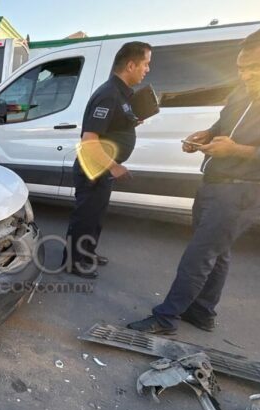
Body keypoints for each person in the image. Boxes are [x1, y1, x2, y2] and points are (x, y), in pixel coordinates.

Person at [128, 21, 260, 335]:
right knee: (217, 250)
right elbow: (224, 123)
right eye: (242, 67)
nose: (247, 74)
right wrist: (207, 136)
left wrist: (239, 151)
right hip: (215, 181)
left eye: (256, 67)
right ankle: (203, 312)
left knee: (200, 253)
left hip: (247, 189)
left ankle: (166, 319)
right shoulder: (244, 89)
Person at [63, 42, 152, 279]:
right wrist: (115, 166)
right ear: (131, 65)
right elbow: (89, 140)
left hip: (103, 169)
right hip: (94, 168)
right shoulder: (109, 94)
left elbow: (112, 127)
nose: (147, 69)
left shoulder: (123, 93)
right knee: (85, 217)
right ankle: (73, 261)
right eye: (145, 64)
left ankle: (87, 253)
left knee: (97, 215)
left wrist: (130, 122)